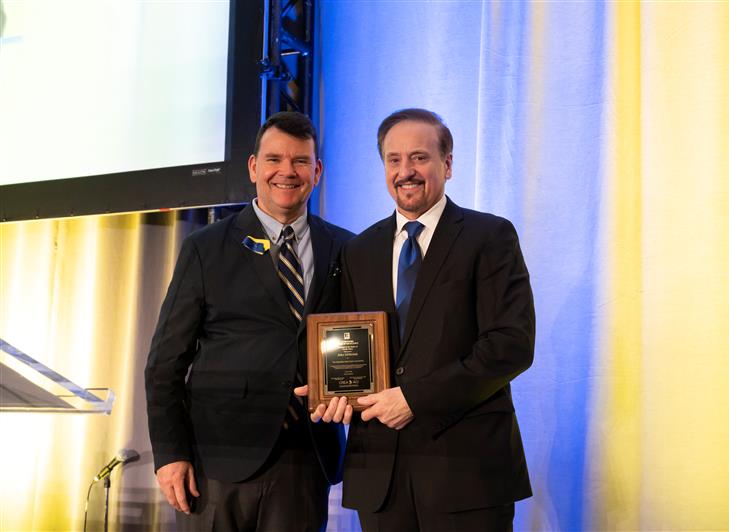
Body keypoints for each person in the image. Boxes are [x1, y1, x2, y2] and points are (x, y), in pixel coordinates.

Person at [299, 108, 535, 531]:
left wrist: (414, 399)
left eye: (419, 157)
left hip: (467, 475)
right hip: (381, 479)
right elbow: (352, 346)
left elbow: (510, 345)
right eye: (394, 159)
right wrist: (332, 391)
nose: (405, 171)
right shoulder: (359, 251)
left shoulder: (490, 236)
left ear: (447, 164)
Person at [145, 111, 353, 531]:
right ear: (254, 166)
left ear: (317, 171)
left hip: (306, 456)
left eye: (300, 161)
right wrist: (170, 455)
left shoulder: (346, 248)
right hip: (218, 458)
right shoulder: (205, 248)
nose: (287, 172)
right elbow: (165, 363)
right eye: (275, 159)